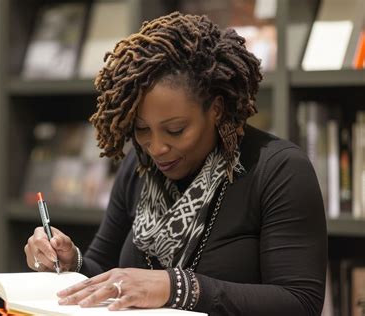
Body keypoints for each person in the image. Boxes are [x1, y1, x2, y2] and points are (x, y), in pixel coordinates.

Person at [24, 12, 327, 315]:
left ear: (217, 109)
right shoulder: (138, 166)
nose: (156, 148)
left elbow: (299, 302)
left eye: (176, 130)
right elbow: (102, 270)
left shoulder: (279, 170)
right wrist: (70, 261)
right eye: (142, 129)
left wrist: (176, 287)